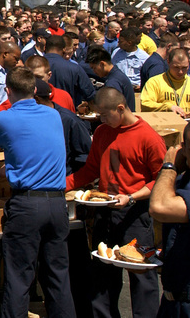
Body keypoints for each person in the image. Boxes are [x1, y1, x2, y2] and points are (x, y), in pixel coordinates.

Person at [0, 67, 76, 318]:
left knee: (19, 278)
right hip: (57, 204)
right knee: (58, 278)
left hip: (27, 204)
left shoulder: (3, 119)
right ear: (34, 90)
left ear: (7, 91)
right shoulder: (53, 115)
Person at [67, 87, 165, 318]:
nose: (99, 119)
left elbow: (161, 180)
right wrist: (62, 184)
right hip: (104, 213)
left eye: (103, 114)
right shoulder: (102, 132)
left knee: (140, 276)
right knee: (102, 274)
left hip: (135, 215)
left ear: (120, 108)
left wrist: (131, 197)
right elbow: (91, 169)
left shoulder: (149, 137)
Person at [149, 123, 190, 318]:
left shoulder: (174, 175)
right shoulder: (183, 181)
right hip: (172, 300)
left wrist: (169, 166)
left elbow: (159, 207)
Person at [140, 47, 190, 115]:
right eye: (176, 67)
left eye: (184, 68)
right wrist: (168, 107)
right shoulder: (155, 82)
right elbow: (145, 104)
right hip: (165, 123)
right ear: (168, 62)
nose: (180, 72)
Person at [85, 45, 136, 110]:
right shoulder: (117, 75)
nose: (94, 71)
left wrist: (90, 107)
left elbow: (112, 108)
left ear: (102, 64)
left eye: (94, 68)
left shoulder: (113, 82)